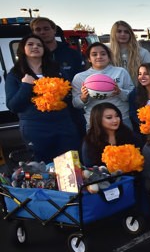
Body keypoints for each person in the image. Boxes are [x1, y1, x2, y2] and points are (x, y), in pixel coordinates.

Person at [4, 34, 82, 162]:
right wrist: (25, 86)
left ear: (44, 49)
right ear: (22, 49)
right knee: (44, 167)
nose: (35, 47)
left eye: (39, 45)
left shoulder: (56, 69)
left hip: (63, 124)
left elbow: (70, 94)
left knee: (71, 163)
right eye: (30, 44)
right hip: (35, 128)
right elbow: (13, 106)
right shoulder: (15, 74)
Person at [72, 43, 135, 131]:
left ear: (109, 57)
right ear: (89, 59)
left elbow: (133, 97)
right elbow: (75, 104)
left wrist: (120, 92)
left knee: (127, 144)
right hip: (94, 121)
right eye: (94, 54)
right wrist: (83, 98)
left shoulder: (121, 72)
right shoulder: (79, 77)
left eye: (103, 54)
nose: (99, 56)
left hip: (121, 118)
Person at [80, 102, 136, 167]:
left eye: (117, 116)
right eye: (109, 117)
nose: (115, 120)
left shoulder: (128, 134)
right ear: (98, 119)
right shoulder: (90, 141)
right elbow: (90, 167)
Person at [108, 21, 150, 86]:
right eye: (119, 31)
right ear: (113, 33)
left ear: (130, 34)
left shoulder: (142, 52)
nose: (123, 34)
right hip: (114, 92)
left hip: (137, 92)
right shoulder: (106, 52)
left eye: (126, 32)